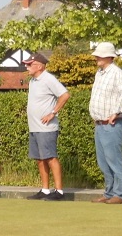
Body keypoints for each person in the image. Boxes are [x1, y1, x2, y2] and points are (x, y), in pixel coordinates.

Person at [23, 53, 70, 201]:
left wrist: (52, 113)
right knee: (40, 159)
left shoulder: (48, 78)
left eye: (29, 64)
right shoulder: (33, 81)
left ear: (39, 66)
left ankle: (59, 191)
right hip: (35, 127)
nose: (27, 67)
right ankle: (45, 190)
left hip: (46, 128)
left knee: (50, 158)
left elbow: (65, 95)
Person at [89, 42, 122, 204]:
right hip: (100, 124)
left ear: (109, 57)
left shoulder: (116, 73)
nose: (97, 58)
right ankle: (109, 193)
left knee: (114, 159)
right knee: (103, 162)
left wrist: (116, 112)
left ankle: (119, 194)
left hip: (111, 124)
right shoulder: (99, 73)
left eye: (100, 55)